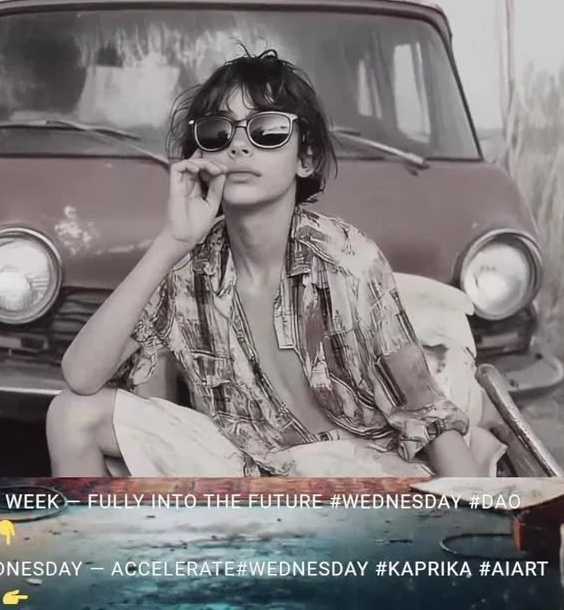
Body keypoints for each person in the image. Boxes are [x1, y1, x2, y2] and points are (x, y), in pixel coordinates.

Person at [47, 50, 484, 478]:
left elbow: (427, 416)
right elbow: (81, 376)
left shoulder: (348, 261)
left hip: (356, 475)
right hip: (242, 468)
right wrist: (171, 242)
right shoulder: (185, 265)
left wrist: (482, 512)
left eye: (267, 131)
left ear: (305, 158)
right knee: (71, 415)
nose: (239, 145)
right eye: (219, 132)